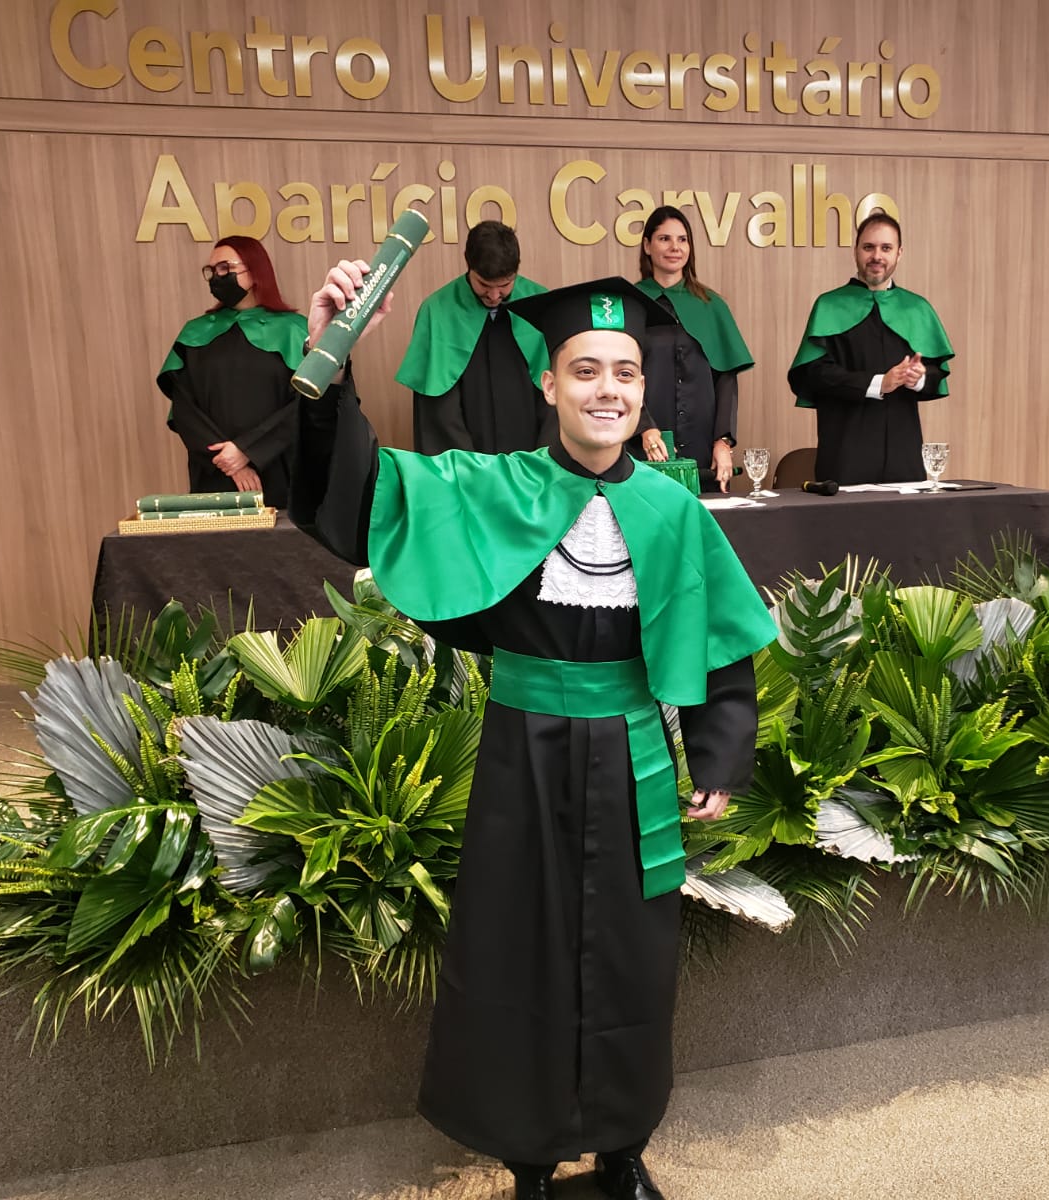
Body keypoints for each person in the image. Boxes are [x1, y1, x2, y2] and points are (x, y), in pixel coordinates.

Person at [291, 266, 776, 1200]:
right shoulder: (491, 486)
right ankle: (531, 1163)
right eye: (585, 371)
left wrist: (717, 753)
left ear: (643, 388)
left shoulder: (675, 508)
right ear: (548, 384)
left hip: (633, 757)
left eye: (625, 373)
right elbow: (359, 496)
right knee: (520, 955)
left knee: (633, 963)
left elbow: (718, 643)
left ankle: (623, 1150)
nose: (607, 390)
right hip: (523, 753)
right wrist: (334, 355)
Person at [787, 211, 955, 485]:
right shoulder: (829, 306)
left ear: (899, 253)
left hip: (903, 455)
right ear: (856, 251)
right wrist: (878, 383)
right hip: (845, 454)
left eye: (886, 248)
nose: (877, 256)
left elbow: (936, 371)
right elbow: (814, 374)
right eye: (869, 247)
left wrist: (918, 378)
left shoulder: (917, 308)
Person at [157, 236, 308, 506]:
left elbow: (306, 405)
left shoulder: (294, 330)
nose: (217, 276)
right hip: (215, 472)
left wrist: (247, 450)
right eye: (212, 270)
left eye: (225, 268)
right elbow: (184, 409)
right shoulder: (196, 333)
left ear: (255, 271)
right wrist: (232, 463)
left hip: (282, 470)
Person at [396, 220, 552, 454]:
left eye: (505, 285)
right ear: (468, 264)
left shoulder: (541, 303)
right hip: (466, 458)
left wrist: (541, 461)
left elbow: (555, 397)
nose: (494, 295)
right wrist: (468, 466)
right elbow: (439, 411)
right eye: (484, 284)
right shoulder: (437, 311)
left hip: (529, 456)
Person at [629, 206, 753, 493]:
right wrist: (644, 427)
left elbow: (726, 380)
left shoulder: (711, 305)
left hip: (703, 450)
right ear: (647, 246)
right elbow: (621, 376)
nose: (675, 247)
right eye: (664, 239)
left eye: (682, 240)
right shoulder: (631, 303)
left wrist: (723, 442)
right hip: (643, 444)